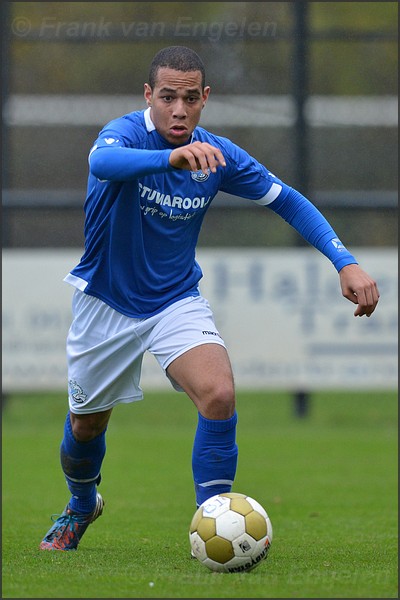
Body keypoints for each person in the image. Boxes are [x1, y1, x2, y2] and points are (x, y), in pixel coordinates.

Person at [39, 45, 380, 551]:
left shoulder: (217, 155)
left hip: (176, 299)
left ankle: (215, 524)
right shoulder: (127, 133)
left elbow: (286, 199)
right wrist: (169, 156)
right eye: (169, 97)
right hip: (106, 302)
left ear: (205, 99)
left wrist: (344, 260)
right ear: (149, 96)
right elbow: (103, 161)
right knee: (85, 427)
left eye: (191, 98)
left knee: (218, 395)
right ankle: (81, 503)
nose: (179, 109)